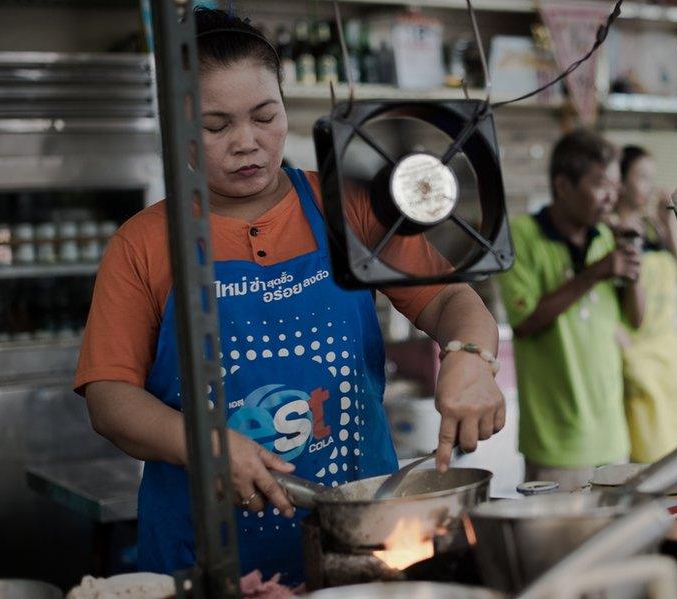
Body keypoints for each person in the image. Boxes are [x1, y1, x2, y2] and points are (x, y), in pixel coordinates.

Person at [74, 8, 504, 584]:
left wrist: (471, 357)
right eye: (215, 125)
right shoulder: (145, 243)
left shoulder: (346, 206)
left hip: (363, 536)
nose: (246, 143)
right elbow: (109, 396)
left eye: (264, 115)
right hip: (205, 557)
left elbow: (451, 301)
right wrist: (202, 446)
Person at [497, 128, 643, 490]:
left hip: (612, 439)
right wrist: (595, 273)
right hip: (555, 448)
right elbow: (525, 322)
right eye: (599, 184)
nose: (611, 196)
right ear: (563, 186)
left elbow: (636, 320)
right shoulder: (521, 237)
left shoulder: (607, 237)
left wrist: (631, 268)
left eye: (614, 184)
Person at [613, 145, 677, 463]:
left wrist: (670, 222)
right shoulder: (611, 233)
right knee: (650, 463)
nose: (650, 185)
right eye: (641, 176)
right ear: (619, 182)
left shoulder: (653, 229)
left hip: (670, 357)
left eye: (652, 177)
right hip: (638, 357)